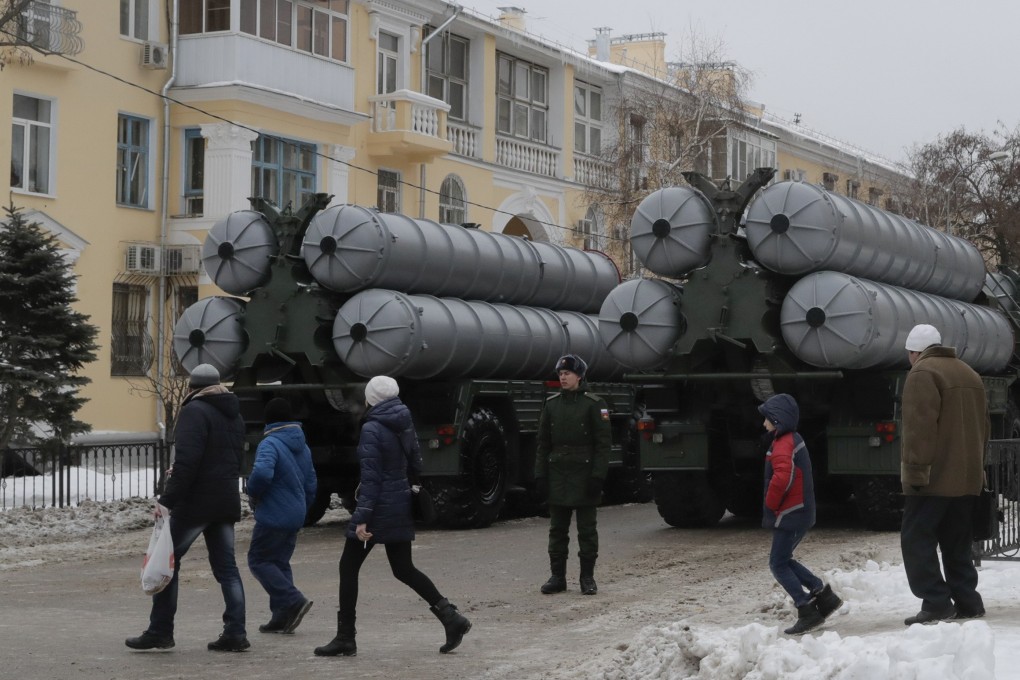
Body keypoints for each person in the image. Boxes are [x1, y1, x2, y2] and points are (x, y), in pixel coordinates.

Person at [314, 375, 471, 657]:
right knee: (403, 568)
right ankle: (451, 618)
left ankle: (345, 637)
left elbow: (372, 478)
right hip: (398, 501)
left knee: (348, 567)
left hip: (377, 508)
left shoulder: (373, 428)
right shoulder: (403, 420)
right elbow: (417, 462)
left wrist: (361, 518)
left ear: (371, 398)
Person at [126, 363, 249, 652]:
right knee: (227, 569)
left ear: (192, 388)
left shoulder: (195, 411)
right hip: (225, 499)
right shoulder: (234, 414)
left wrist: (167, 499)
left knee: (168, 562)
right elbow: (232, 460)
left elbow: (187, 461)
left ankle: (160, 631)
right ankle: (236, 633)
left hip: (196, 502)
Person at [900, 323, 988, 625]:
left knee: (915, 539)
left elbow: (918, 428)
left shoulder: (922, 373)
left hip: (933, 479)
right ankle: (968, 601)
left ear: (915, 352)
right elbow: (983, 430)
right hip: (967, 478)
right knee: (956, 541)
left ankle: (936, 602)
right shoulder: (969, 373)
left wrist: (914, 472)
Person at [759, 393, 842, 635]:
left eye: (767, 419)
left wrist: (771, 504)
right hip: (799, 510)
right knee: (784, 559)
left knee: (777, 563)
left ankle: (806, 609)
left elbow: (782, 477)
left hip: (791, 511)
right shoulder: (791, 438)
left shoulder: (783, 444)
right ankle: (823, 596)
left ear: (777, 419)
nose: (764, 424)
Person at [534, 354, 610, 596]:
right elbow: (543, 444)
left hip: (585, 473)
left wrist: (597, 476)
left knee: (587, 530)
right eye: (560, 374)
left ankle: (587, 577)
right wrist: (540, 476)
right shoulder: (552, 404)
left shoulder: (594, 404)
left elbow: (603, 445)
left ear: (579, 376)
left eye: (567, 373)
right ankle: (557, 577)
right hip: (558, 473)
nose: (563, 377)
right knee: (557, 529)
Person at [246, 397, 318, 634]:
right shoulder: (303, 446)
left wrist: (253, 493)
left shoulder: (270, 443)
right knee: (279, 562)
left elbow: (262, 474)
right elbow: (311, 483)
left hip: (273, 513)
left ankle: (293, 600)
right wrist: (302, 508)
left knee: (258, 560)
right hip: (295, 513)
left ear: (269, 420)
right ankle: (282, 616)